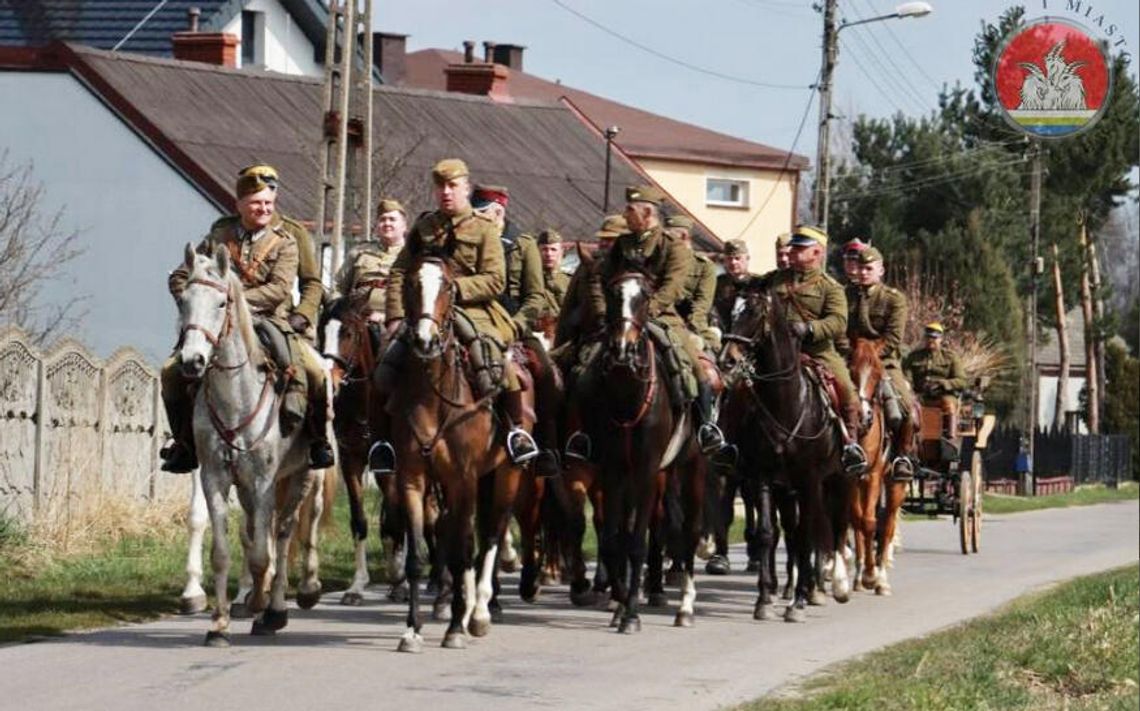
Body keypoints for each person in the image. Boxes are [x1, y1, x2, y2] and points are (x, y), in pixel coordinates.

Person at [367, 159, 537, 474]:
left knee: (497, 361)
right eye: (440, 186)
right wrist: (395, 316)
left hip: (475, 310)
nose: (446, 192)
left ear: (466, 188)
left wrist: (451, 288)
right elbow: (399, 272)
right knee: (385, 365)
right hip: (426, 310)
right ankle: (381, 443)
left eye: (453, 186)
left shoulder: (484, 229)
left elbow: (495, 280)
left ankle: (516, 431)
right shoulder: (424, 228)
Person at [160, 164, 334, 472]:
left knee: (316, 373)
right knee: (171, 372)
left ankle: (317, 441)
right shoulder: (220, 234)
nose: (265, 207)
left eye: (269, 201)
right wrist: (195, 302)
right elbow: (181, 275)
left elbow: (287, 287)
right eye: (256, 202)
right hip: (218, 324)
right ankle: (184, 444)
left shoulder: (288, 237)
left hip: (270, 320)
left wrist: (302, 316)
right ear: (239, 204)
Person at [583, 185, 726, 454]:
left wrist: (647, 311)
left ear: (647, 212)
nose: (625, 215)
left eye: (630, 210)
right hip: (623, 318)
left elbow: (672, 287)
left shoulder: (672, 247)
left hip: (663, 318)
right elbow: (603, 280)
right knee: (586, 366)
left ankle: (706, 429)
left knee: (695, 371)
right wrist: (607, 312)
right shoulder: (622, 246)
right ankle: (583, 436)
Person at [768, 225, 867, 474]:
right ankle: (730, 442)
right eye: (794, 248)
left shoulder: (830, 287)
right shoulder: (776, 279)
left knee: (847, 391)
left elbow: (837, 322)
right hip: (776, 352)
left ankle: (850, 445)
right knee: (740, 383)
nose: (792, 253)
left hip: (816, 352)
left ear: (817, 253)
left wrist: (808, 329)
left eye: (800, 249)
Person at [847, 246, 917, 476]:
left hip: (884, 362)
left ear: (881, 270)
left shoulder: (894, 300)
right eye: (860, 268)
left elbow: (894, 338)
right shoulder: (846, 295)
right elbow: (840, 330)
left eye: (869, 268)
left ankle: (901, 456)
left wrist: (872, 355)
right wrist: (853, 353)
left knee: (906, 408)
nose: (863, 273)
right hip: (851, 360)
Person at [335, 197, 407, 324]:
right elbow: (339, 287)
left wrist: (391, 317)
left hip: (397, 321)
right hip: (357, 319)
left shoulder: (412, 256)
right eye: (382, 220)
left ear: (404, 226)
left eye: (392, 219)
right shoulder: (358, 253)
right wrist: (336, 310)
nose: (387, 224)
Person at [903, 322, 967, 438]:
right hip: (920, 396)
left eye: (934, 338)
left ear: (941, 339)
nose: (931, 340)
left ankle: (949, 437)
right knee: (907, 408)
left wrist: (943, 384)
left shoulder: (950, 357)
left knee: (949, 405)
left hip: (942, 396)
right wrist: (910, 390)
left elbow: (962, 380)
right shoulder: (913, 357)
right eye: (928, 337)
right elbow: (906, 377)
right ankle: (906, 441)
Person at [667, 214, 720, 353]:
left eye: (669, 239)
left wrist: (688, 328)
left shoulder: (704, 266)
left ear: (684, 236)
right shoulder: (661, 263)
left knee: (701, 354)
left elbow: (702, 306)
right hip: (663, 319)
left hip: (691, 323)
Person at [714, 238, 766, 333]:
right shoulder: (718, 283)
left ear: (747, 259)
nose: (733, 262)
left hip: (746, 338)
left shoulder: (759, 283)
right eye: (729, 258)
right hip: (722, 333)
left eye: (737, 258)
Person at [537, 228, 570, 320]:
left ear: (561, 252)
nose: (548, 254)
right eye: (544, 249)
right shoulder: (530, 279)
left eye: (553, 249)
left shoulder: (569, 281)